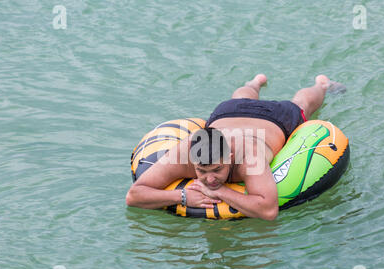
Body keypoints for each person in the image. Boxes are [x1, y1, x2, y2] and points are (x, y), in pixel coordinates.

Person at [126, 74, 345, 220]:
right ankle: (255, 83)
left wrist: (220, 190)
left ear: (230, 156)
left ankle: (322, 84)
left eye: (217, 170)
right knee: (240, 98)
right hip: (229, 112)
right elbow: (134, 196)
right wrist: (182, 197)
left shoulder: (249, 157)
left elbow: (268, 211)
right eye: (202, 171)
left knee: (301, 105)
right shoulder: (185, 152)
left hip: (273, 119)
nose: (209, 179)